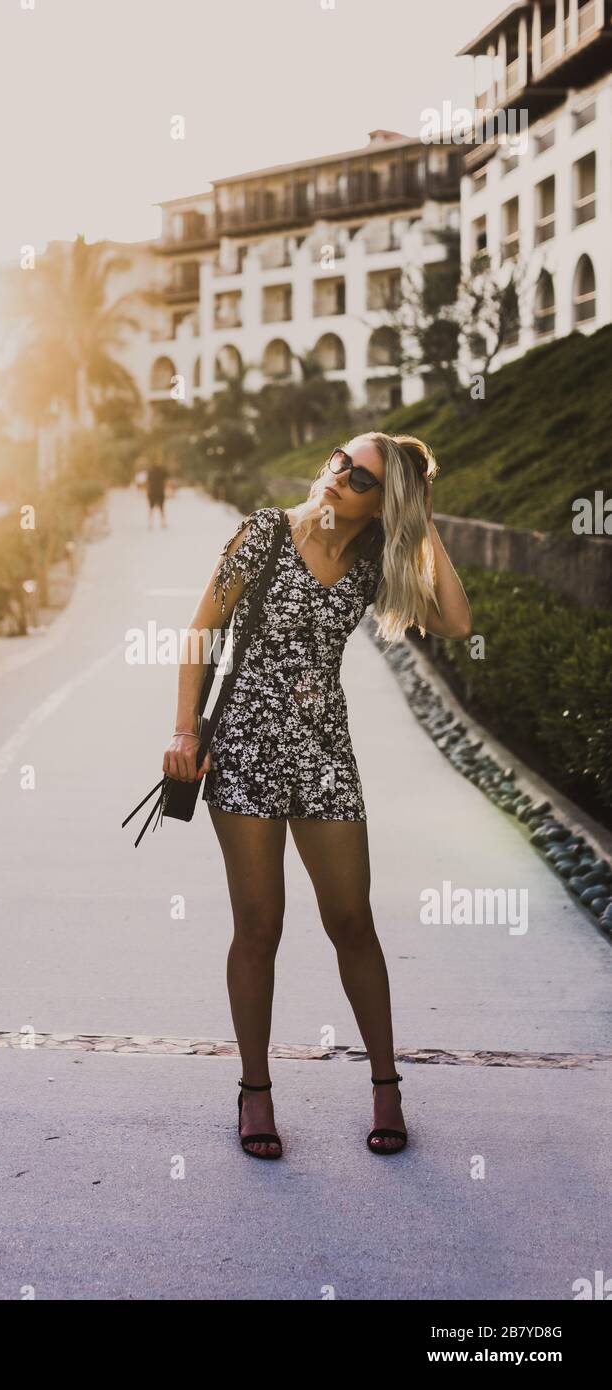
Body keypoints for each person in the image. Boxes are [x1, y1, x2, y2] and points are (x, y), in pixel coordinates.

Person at [164, 433, 472, 1160]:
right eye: (339, 460)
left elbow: (456, 620)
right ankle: (255, 1093)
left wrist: (421, 517)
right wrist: (184, 730)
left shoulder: (375, 560)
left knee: (351, 921)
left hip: (324, 754)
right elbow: (202, 632)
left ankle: (387, 1085)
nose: (338, 477)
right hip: (243, 750)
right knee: (259, 925)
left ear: (384, 501)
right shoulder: (265, 533)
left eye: (361, 478)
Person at [146, 459, 167, 528]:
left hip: (152, 492)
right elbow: (167, 478)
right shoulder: (162, 471)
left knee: (151, 509)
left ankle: (150, 524)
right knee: (161, 508)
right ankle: (163, 523)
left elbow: (148, 481)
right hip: (160, 492)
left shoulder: (150, 471)